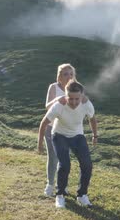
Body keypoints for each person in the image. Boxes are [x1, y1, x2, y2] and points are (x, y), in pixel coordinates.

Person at [38, 80, 98, 208]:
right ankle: (60, 195)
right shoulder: (58, 106)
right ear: (66, 96)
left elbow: (92, 118)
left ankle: (82, 195)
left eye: (77, 99)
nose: (74, 102)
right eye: (70, 98)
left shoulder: (87, 104)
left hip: (77, 136)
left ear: (82, 96)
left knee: (87, 165)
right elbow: (44, 123)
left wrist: (94, 135)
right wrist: (40, 144)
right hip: (59, 136)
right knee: (65, 164)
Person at [43, 64, 87, 197]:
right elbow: (47, 106)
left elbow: (84, 104)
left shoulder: (77, 89)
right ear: (59, 76)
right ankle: (50, 185)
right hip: (51, 128)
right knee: (53, 158)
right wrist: (59, 99)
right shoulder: (53, 87)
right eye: (65, 74)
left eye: (71, 74)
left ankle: (61, 186)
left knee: (64, 160)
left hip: (68, 131)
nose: (68, 76)